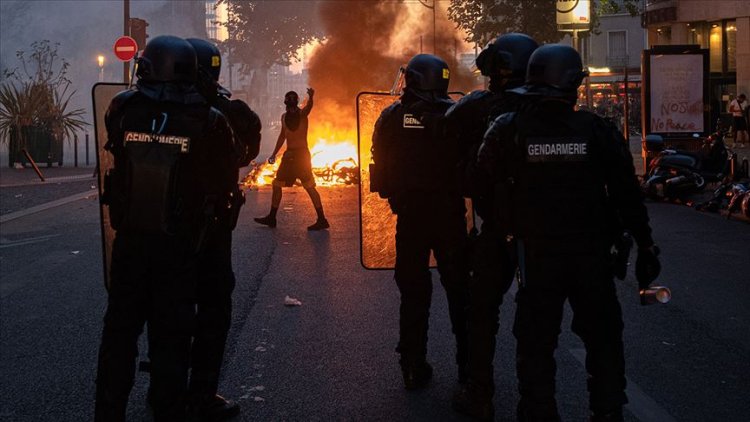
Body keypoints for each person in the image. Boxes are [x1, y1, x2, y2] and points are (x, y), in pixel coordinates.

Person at [475, 44, 661, 421]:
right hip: (592, 257)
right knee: (603, 342)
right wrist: (645, 245)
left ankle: (539, 413)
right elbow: (627, 195)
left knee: (535, 345)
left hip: (537, 258)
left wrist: (509, 224)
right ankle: (607, 413)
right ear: (574, 84)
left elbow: (479, 182)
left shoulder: (507, 129)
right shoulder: (598, 130)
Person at [94, 36, 236, 421]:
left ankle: (108, 413)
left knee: (119, 336)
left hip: (129, 246)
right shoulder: (210, 121)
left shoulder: (122, 108)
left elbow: (114, 154)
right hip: (180, 251)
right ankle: (167, 407)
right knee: (170, 339)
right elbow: (224, 182)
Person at [444, 33, 538, 421]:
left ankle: (479, 392)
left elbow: (446, 137)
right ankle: (536, 399)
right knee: (537, 316)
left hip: (497, 229)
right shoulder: (552, 110)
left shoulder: (479, 107)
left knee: (481, 311)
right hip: (544, 235)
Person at [370, 54, 469, 390]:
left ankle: (412, 365)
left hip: (410, 218)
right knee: (460, 291)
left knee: (413, 292)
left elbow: (379, 169)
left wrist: (399, 193)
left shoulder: (390, 117)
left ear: (413, 79)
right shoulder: (457, 115)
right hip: (450, 218)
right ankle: (469, 370)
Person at [184, 37, 261, 421]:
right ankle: (201, 394)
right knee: (213, 306)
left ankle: (165, 385)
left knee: (168, 305)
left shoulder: (140, 108)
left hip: (159, 233)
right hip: (210, 228)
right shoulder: (226, 113)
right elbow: (247, 151)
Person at [254, 88, 329, 230]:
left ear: (296, 104)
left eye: (294, 104)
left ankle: (322, 219)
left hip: (302, 157)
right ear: (286, 104)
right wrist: (274, 154)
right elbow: (282, 136)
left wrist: (311, 97)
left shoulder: (302, 115)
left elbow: (309, 107)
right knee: (277, 184)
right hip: (288, 156)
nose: (292, 108)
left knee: (309, 187)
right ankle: (272, 217)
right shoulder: (283, 117)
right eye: (290, 105)